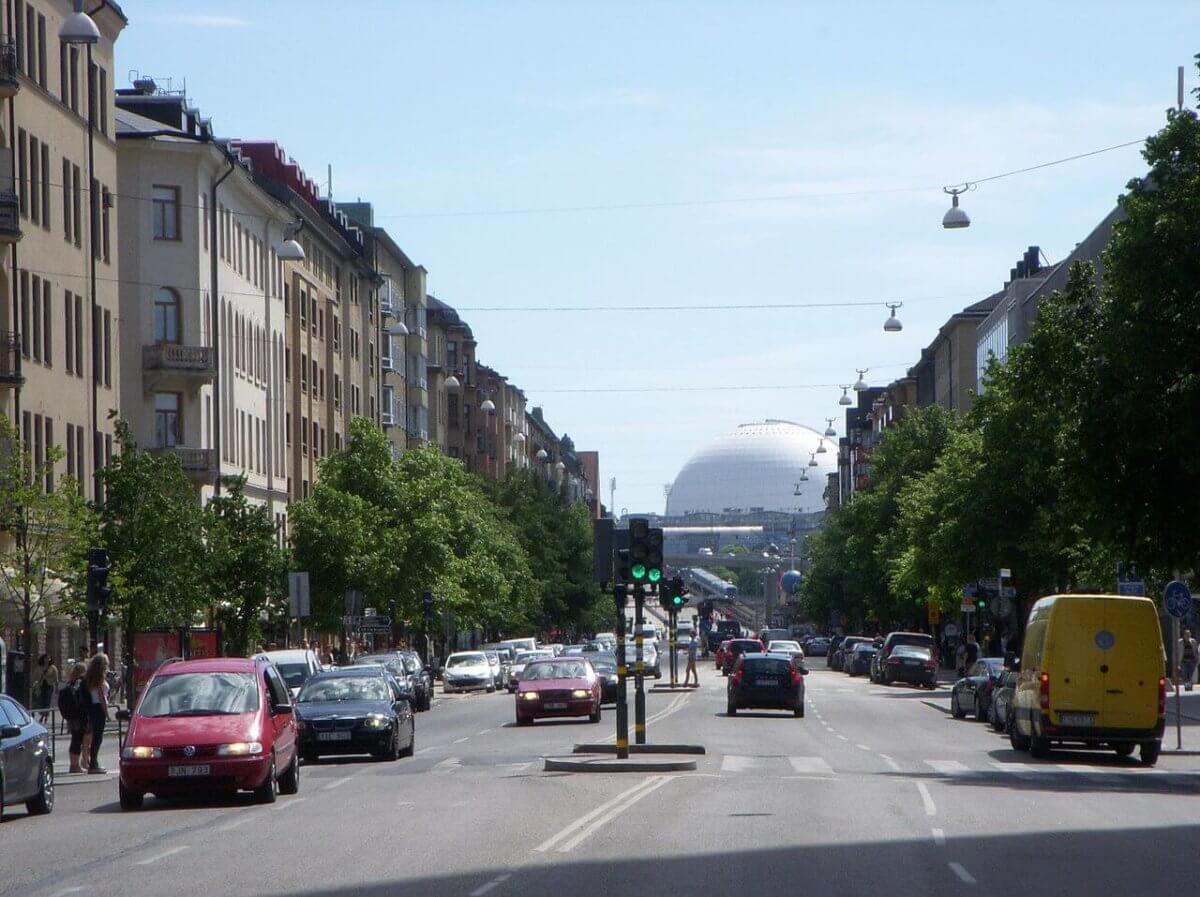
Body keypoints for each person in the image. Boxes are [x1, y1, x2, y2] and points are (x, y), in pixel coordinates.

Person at [83, 653, 111, 774]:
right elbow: (102, 698)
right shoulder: (99, 679)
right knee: (98, 737)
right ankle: (94, 763)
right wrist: (107, 714)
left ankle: (92, 762)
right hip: (98, 709)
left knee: (95, 737)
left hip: (92, 708)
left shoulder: (90, 677)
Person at [60, 662, 88, 773]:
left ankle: (74, 764)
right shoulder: (80, 683)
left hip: (72, 715)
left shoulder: (71, 683)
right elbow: (82, 699)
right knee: (77, 739)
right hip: (78, 715)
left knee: (76, 739)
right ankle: (74, 765)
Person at [36, 653, 58, 722]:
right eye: (46, 658)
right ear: (43, 659)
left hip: (49, 686)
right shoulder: (40, 667)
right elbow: (36, 675)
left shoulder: (53, 668)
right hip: (41, 685)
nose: (48, 660)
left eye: (49, 658)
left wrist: (57, 687)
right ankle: (43, 714)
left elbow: (56, 678)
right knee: (42, 701)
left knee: (47, 701)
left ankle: (44, 716)